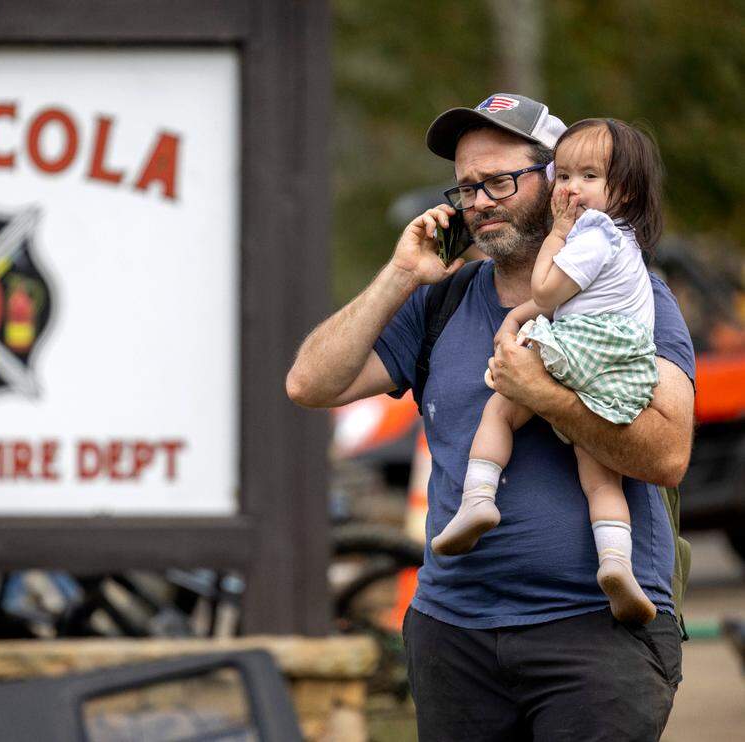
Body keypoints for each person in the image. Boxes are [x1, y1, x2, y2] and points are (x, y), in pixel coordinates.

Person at [287, 93, 693, 740]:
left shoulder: (628, 291)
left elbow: (668, 454)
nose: (478, 201)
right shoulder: (440, 304)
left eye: (500, 180)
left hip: (594, 638)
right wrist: (400, 275)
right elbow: (310, 382)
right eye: (467, 186)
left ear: (559, 182)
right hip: (453, 638)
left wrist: (546, 395)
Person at [431, 118, 665, 628]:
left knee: (501, 404)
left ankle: (477, 500)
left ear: (622, 190)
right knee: (601, 476)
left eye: (587, 177)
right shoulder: (629, 246)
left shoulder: (592, 234)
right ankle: (616, 564)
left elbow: (550, 290)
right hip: (622, 373)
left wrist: (557, 233)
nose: (571, 189)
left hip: (582, 351)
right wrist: (518, 315)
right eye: (565, 177)